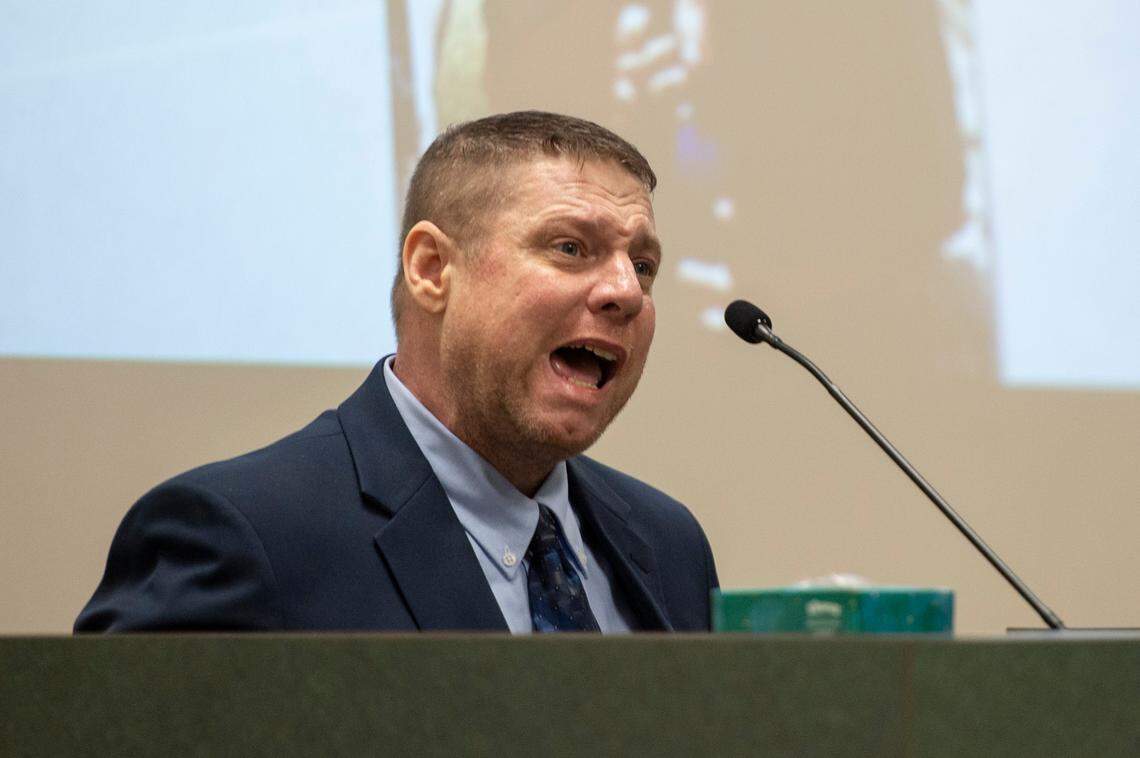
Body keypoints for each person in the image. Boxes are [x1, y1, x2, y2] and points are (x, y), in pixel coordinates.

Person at [75, 111, 719, 633]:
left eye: (643, 266)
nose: (625, 292)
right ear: (432, 269)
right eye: (570, 248)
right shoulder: (240, 537)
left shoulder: (668, 543)